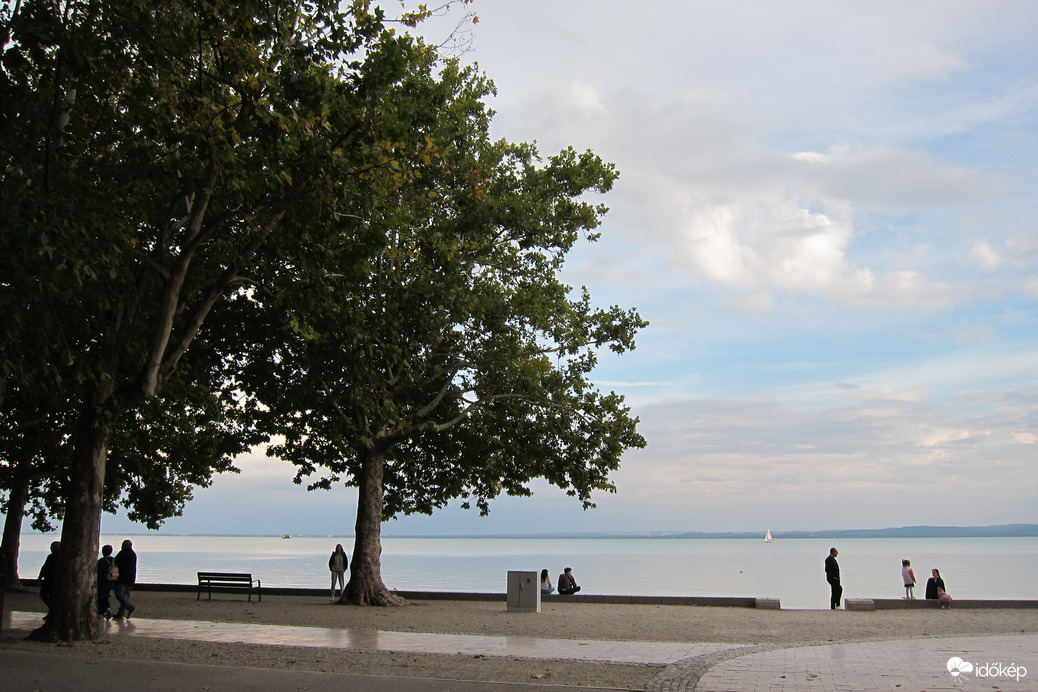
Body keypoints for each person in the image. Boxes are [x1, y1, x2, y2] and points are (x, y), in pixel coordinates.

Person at [113, 539, 137, 619]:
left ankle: (130, 607)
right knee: (125, 595)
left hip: (122, 577)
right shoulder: (133, 554)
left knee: (119, 594)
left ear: (124, 545)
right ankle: (121, 613)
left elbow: (115, 561)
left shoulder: (123, 553)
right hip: (131, 578)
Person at [38, 541, 60, 618]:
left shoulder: (51, 556)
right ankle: (52, 611)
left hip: (49, 579)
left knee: (44, 595)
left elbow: (45, 568)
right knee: (52, 596)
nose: (50, 548)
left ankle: (53, 610)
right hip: (57, 580)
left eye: (51, 547)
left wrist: (40, 577)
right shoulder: (62, 556)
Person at [96, 544, 115, 619]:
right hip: (111, 580)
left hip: (103, 581)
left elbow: (98, 573)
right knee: (105, 595)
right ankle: (105, 610)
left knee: (102, 596)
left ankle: (105, 610)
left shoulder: (101, 561)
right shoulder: (114, 560)